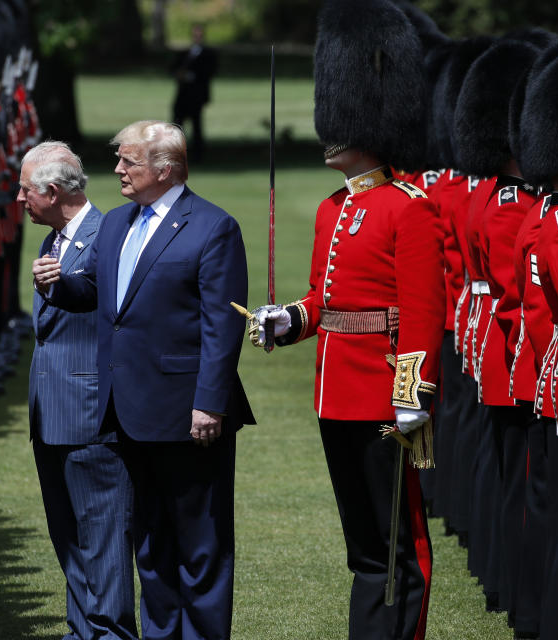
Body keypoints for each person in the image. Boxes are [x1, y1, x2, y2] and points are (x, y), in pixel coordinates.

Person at [248, 2, 444, 637]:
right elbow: (323, 300)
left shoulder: (407, 209)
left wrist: (412, 399)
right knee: (364, 547)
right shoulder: (336, 210)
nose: (328, 132)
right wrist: (289, 320)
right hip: (335, 397)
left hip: (387, 400)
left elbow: (421, 312)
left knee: (397, 543)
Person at [33, 120, 254, 640]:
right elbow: (100, 295)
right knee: (151, 547)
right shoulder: (117, 224)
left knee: (200, 547)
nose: (116, 171)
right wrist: (60, 285)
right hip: (127, 414)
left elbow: (222, 329)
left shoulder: (212, 227)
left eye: (127, 162)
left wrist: (210, 403)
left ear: (164, 168)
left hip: (188, 415)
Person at [22, 141, 136, 640]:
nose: (19, 199)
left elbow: (103, 302)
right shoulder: (53, 239)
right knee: (67, 537)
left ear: (51, 190)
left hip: (91, 416)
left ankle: (110, 633)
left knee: (103, 541)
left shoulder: (108, 233)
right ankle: (82, 631)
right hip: (50, 415)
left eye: (25, 190)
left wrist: (62, 284)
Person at [170, 23, 217, 162]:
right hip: (183, 95)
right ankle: (176, 153)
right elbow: (173, 68)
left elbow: (209, 72)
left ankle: (198, 155)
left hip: (197, 96)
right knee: (177, 125)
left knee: (197, 126)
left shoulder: (208, 54)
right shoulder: (185, 52)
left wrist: (190, 76)